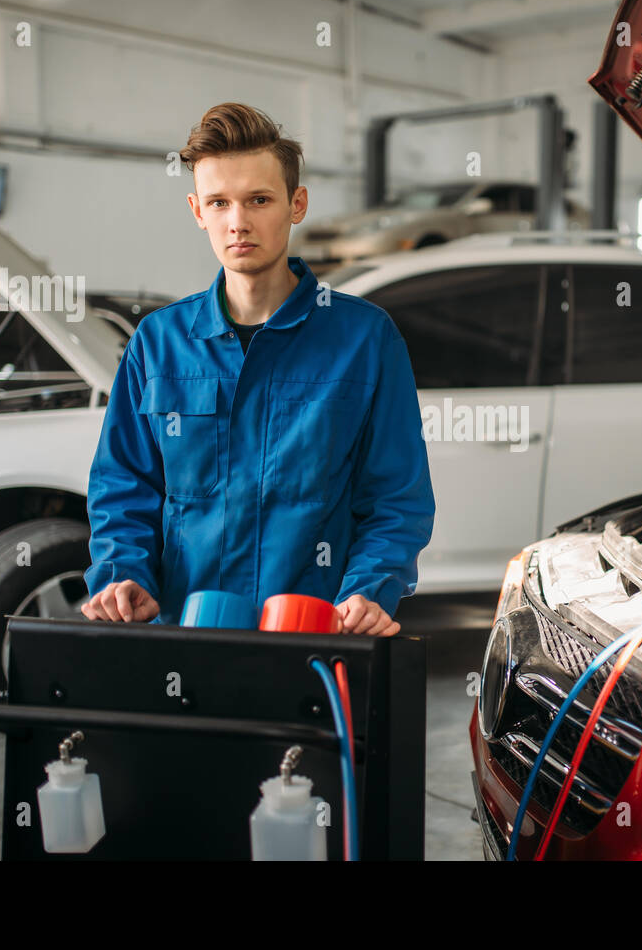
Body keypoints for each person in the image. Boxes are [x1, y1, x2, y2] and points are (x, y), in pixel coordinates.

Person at [81, 102, 435, 635]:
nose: (238, 222)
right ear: (197, 210)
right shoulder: (159, 345)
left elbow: (395, 495)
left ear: (297, 204)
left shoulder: (364, 339)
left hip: (316, 637)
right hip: (184, 637)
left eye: (259, 200)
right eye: (218, 202)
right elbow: (124, 486)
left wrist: (369, 588)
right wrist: (122, 574)